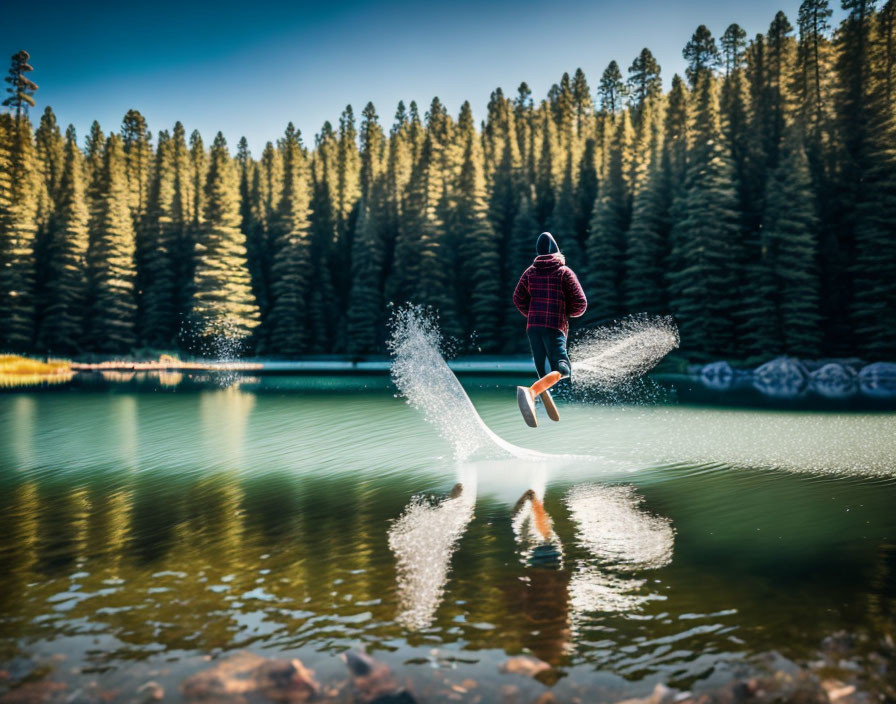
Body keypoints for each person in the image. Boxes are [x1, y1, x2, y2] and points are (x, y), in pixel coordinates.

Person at [512, 232, 587, 427]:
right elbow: (581, 303)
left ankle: (540, 393)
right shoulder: (564, 272)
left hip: (533, 326)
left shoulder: (530, 272)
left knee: (543, 369)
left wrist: (532, 313)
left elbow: (517, 298)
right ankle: (532, 392)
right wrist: (564, 311)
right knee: (563, 368)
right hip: (554, 326)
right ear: (556, 251)